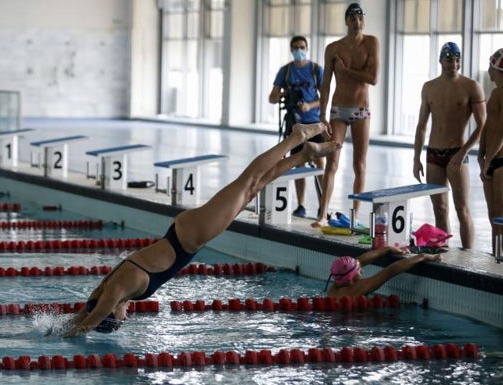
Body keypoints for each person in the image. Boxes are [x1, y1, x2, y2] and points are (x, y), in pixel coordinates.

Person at [63, 122, 341, 337]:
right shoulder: (108, 290)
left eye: (120, 320)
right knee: (251, 190)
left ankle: (297, 136)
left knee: (247, 182)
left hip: (187, 238)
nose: (127, 318)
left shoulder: (115, 292)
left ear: (113, 313)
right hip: (183, 235)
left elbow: (88, 322)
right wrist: (61, 328)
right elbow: (85, 314)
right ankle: (304, 153)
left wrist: (69, 337)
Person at [412, 42, 486, 250]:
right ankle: (442, 252)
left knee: (462, 209)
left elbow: (482, 125)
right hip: (433, 154)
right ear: (440, 60)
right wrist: (416, 158)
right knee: (440, 208)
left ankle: (468, 255)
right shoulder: (429, 87)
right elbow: (421, 126)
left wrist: (463, 152)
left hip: (457, 153)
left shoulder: (471, 86)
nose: (454, 64)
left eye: (457, 60)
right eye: (449, 60)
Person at [313, 2, 379, 228]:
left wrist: (346, 71)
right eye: (353, 18)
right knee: (332, 163)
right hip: (338, 110)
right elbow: (325, 84)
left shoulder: (372, 42)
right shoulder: (333, 48)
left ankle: (355, 215)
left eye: (360, 18)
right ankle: (322, 214)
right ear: (346, 21)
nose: (357, 22)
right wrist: (321, 114)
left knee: (359, 165)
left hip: (361, 109)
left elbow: (373, 78)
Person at [269, 35, 325, 218]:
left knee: (319, 162)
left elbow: (325, 97)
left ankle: (322, 205)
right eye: (295, 47)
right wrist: (284, 93)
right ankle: (301, 205)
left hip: (315, 122)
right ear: (291, 50)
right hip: (295, 125)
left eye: (302, 47)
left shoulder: (316, 69)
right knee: (298, 162)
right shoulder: (285, 71)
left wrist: (309, 106)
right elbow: (272, 97)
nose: (298, 50)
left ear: (307, 48)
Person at [478, 48, 503, 257]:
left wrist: (488, 160)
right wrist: (480, 153)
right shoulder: (495, 93)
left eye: (490, 66)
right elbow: (488, 125)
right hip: (490, 158)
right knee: (493, 216)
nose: (488, 71)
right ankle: (497, 260)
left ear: (495, 68)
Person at [326, 247, 441, 299]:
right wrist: (423, 256)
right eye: (359, 270)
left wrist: (387, 249)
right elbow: (390, 271)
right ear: (350, 278)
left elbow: (360, 260)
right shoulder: (358, 289)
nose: (362, 269)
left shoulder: (336, 285)